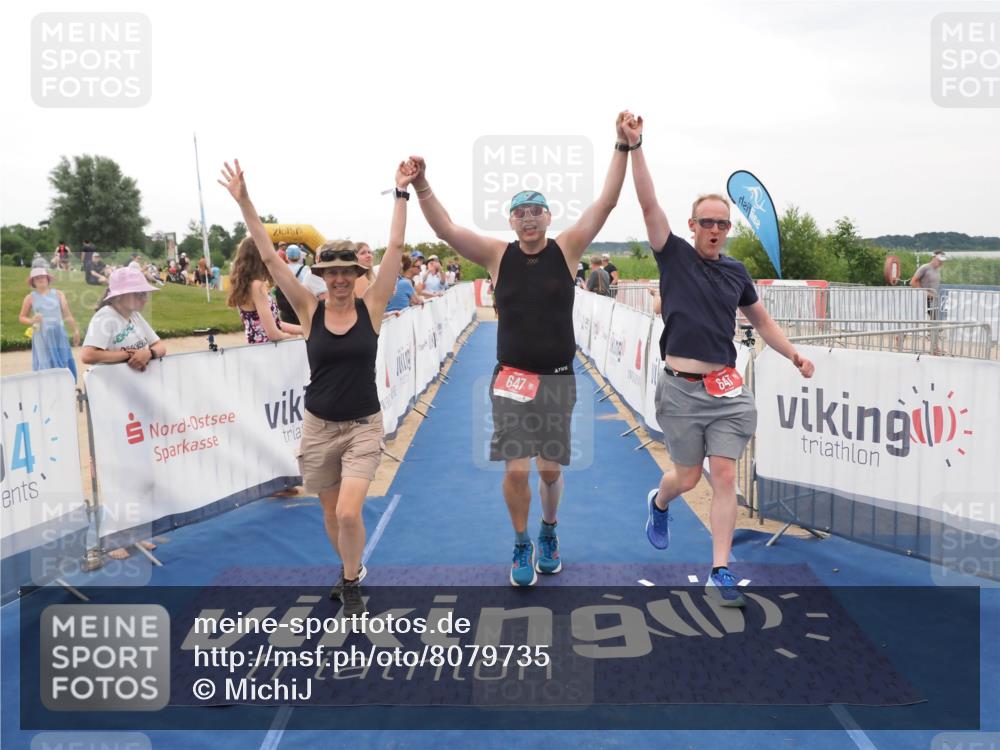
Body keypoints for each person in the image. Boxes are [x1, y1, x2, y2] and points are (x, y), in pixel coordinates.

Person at [409, 112, 631, 586]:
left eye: (536, 212)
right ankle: (521, 542)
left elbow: (606, 204)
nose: (529, 220)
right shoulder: (497, 255)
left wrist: (621, 146)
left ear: (549, 217)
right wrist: (423, 185)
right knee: (515, 472)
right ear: (511, 221)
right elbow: (446, 229)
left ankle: (549, 530)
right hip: (510, 379)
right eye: (520, 214)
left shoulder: (567, 248)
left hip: (556, 377)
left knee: (549, 470)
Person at [624, 113, 814, 607]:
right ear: (692, 226)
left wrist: (793, 353)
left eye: (722, 223)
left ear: (729, 229)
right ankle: (659, 501)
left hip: (726, 390)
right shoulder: (674, 254)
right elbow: (648, 202)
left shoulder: (737, 272)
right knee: (686, 478)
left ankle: (721, 569)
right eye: (706, 222)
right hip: (681, 390)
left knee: (724, 474)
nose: (714, 229)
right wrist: (636, 146)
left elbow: (763, 322)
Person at [219, 157, 415, 617]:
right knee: (330, 514)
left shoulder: (374, 306)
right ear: (322, 276)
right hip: (318, 428)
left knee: (349, 512)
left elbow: (395, 245)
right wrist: (246, 202)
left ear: (357, 274)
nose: (342, 278)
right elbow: (268, 255)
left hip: (364, 426)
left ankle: (350, 579)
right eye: (333, 272)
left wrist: (401, 192)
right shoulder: (309, 309)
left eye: (348, 270)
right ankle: (351, 568)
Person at [81, 267, 166, 559]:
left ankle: (136, 532)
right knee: (118, 468)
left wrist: (149, 353)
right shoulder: (105, 318)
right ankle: (114, 536)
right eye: (140, 293)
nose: (145, 298)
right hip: (113, 404)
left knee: (139, 469)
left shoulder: (135, 318)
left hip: (135, 403)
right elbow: (88, 354)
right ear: (123, 295)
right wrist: (128, 356)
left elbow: (160, 345)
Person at [227, 237, 303, 344]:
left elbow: (274, 323)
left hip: (254, 347)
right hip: (266, 350)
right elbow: (273, 334)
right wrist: (293, 338)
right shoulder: (257, 286)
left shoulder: (245, 285)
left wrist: (303, 329)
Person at [18, 267, 80, 380]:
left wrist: (75, 330)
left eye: (43, 277)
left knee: (63, 359)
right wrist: (32, 320)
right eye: (37, 278)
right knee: (45, 361)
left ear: (48, 279)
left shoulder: (58, 294)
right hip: (41, 335)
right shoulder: (30, 298)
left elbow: (67, 314)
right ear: (33, 282)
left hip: (58, 333)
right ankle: (48, 390)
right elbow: (21, 317)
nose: (41, 279)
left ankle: (65, 386)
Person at [276, 244, 327, 325]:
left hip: (286, 306)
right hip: (300, 305)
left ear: (287, 257)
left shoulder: (282, 269)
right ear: (299, 256)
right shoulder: (306, 269)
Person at [910, 251, 947, 320]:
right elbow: (913, 282)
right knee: (932, 322)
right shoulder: (925, 268)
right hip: (923, 300)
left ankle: (933, 329)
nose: (941, 262)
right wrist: (926, 293)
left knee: (935, 322)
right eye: (939, 260)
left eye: (942, 261)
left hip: (933, 300)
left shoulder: (938, 270)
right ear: (933, 258)